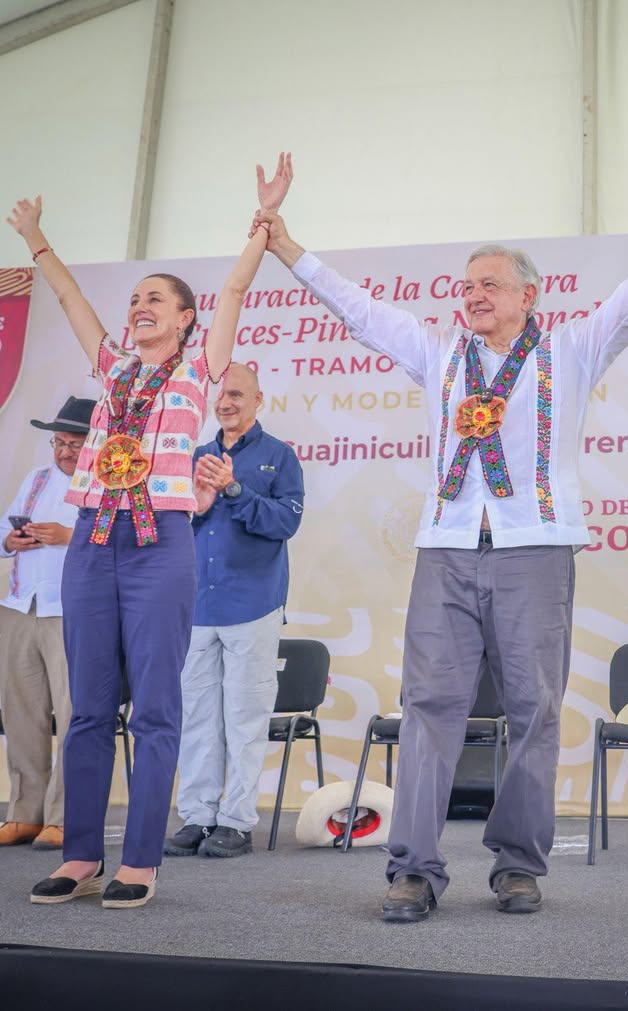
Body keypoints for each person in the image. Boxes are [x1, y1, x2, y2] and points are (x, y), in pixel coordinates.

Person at [253, 160, 628, 921]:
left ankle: (518, 864)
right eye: (465, 287)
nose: (472, 296)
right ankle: (413, 870)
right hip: (447, 550)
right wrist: (288, 246)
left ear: (529, 296)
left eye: (489, 284)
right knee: (429, 705)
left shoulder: (568, 352)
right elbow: (361, 313)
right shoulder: (440, 358)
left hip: (536, 550)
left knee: (534, 707)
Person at [5, 151, 292, 909]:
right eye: (135, 299)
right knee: (89, 708)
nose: (140, 307)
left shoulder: (199, 369)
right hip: (94, 539)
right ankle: (79, 857)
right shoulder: (110, 370)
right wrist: (37, 239)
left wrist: (263, 223)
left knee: (158, 705)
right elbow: (69, 302)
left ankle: (140, 861)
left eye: (156, 299)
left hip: (161, 542)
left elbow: (233, 286)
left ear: (186, 319)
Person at [163, 362, 304, 859]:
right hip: (197, 606)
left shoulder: (279, 456)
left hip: (254, 606)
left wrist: (235, 490)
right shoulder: (193, 455)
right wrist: (196, 508)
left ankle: (237, 822)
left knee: (245, 719)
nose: (227, 403)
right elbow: (172, 529)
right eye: (220, 396)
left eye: (237, 395)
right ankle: (197, 816)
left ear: (258, 399)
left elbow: (285, 523)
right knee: (197, 718)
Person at [0, 396, 93, 851]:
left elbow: (123, 544)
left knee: (74, 716)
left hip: (72, 614)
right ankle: (24, 813)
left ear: (96, 443)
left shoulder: (105, 484)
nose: (64, 452)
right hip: (21, 607)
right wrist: (12, 539)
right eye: (59, 442)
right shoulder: (36, 480)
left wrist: (68, 536)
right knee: (21, 716)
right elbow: (1, 534)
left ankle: (64, 817)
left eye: (74, 443)